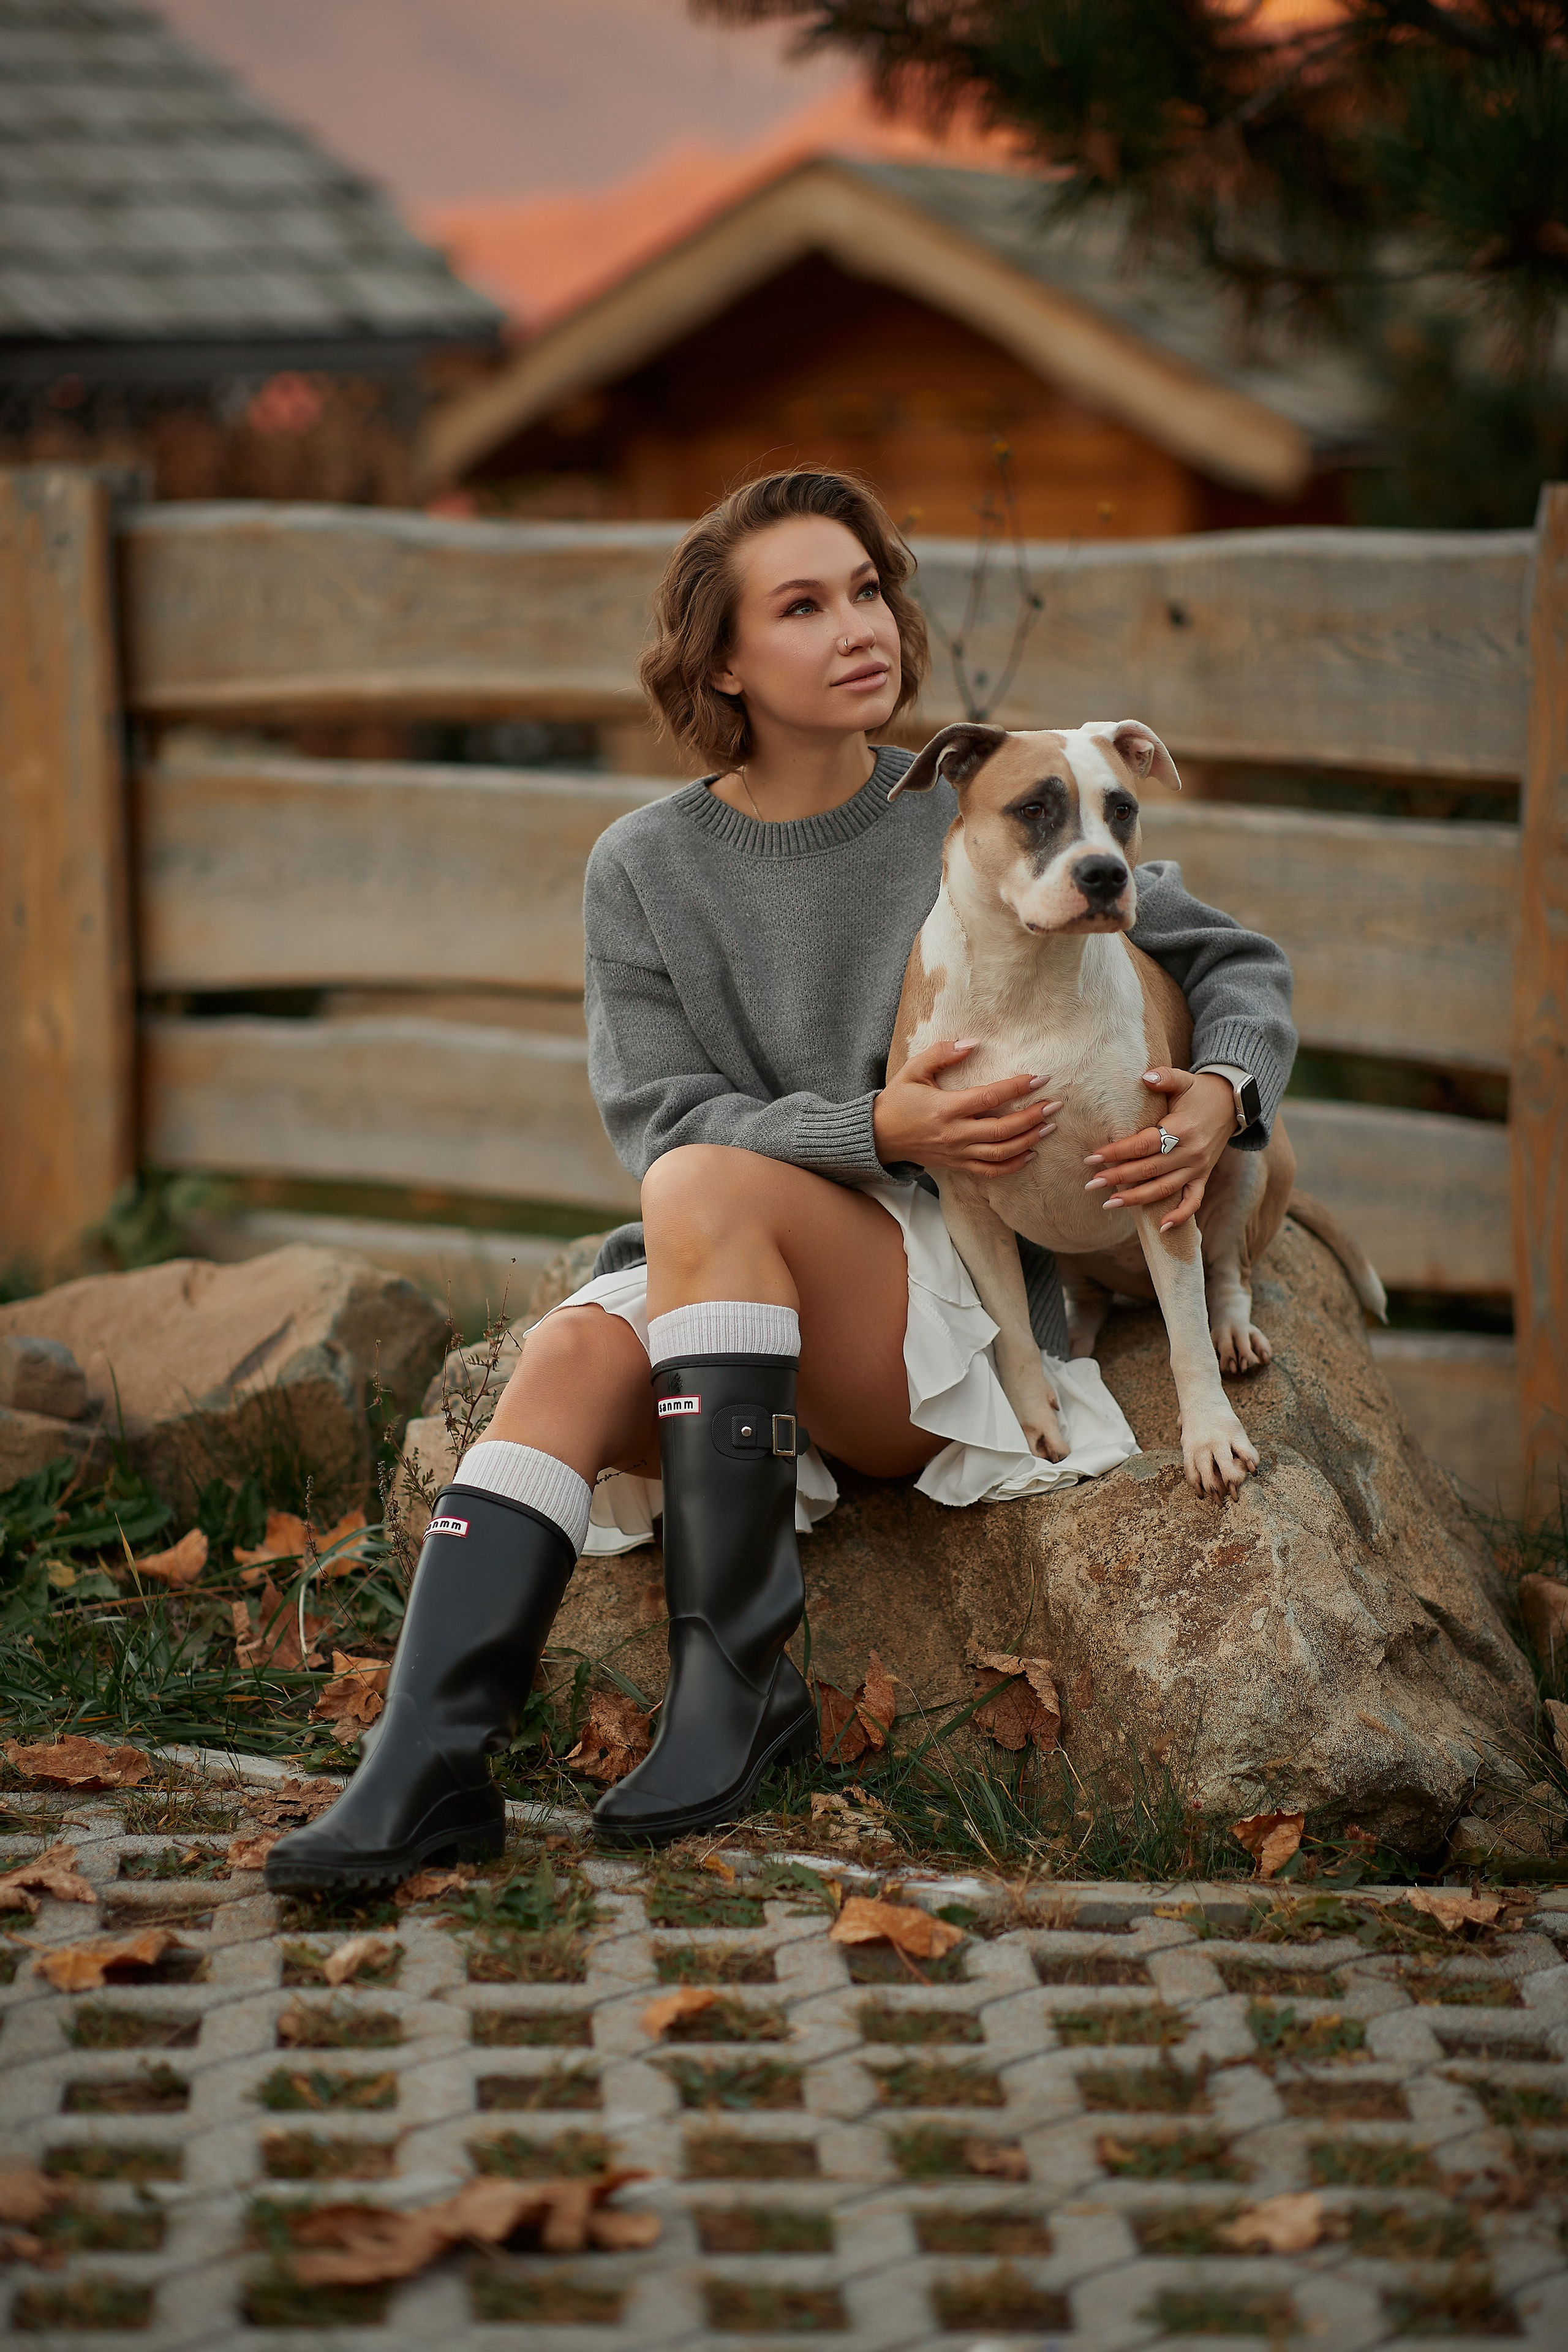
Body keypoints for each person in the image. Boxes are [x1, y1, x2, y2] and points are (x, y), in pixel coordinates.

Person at [266, 468, 1294, 1891]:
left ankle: (736, 1695)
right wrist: (877, 1125)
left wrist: (1222, 1095)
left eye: (865, 590)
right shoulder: (643, 864)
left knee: (697, 1191)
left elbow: (1227, 959)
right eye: (801, 606)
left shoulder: (987, 806)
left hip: (935, 1293)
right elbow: (659, 1117)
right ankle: (424, 1765)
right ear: (724, 663)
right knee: (571, 1347)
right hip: (741, 1268)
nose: (856, 626)